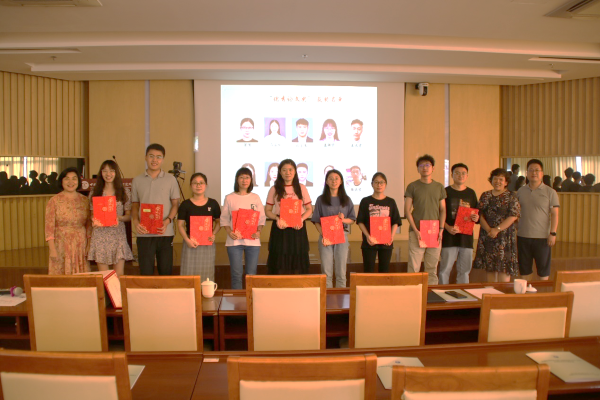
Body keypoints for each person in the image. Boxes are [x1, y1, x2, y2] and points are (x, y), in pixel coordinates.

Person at [131, 143, 180, 275]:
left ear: (163, 159)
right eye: (151, 156)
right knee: (146, 273)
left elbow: (175, 204)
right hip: (144, 233)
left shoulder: (171, 180)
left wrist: (167, 221)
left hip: (165, 233)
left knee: (166, 272)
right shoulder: (137, 180)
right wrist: (136, 222)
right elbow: (135, 205)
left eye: (159, 157)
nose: (154, 160)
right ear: (145, 157)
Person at [265, 159, 313, 274]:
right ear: (280, 172)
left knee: (298, 263)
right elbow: (267, 211)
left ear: (295, 171)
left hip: (298, 227)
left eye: (290, 170)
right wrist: (277, 219)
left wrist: (301, 219)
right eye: (284, 170)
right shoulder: (274, 188)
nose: (288, 172)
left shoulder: (301, 188)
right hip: (280, 227)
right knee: (279, 262)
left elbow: (309, 209)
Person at [220, 167, 266, 289]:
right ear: (237, 180)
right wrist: (229, 232)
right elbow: (224, 218)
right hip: (234, 242)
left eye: (247, 177)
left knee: (251, 274)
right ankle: (237, 299)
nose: (244, 180)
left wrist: (259, 231)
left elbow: (261, 218)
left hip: (253, 241)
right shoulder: (229, 197)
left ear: (251, 180)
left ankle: (251, 298)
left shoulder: (255, 197)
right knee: (236, 274)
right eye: (241, 177)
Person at [404, 154, 446, 285]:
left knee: (432, 268)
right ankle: (412, 293)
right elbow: (407, 210)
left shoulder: (439, 187)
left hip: (434, 231)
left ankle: (431, 292)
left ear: (433, 168)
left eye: (427, 165)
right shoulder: (412, 186)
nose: (425, 168)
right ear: (417, 169)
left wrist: (441, 230)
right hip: (417, 231)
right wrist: (416, 230)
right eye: (421, 165)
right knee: (413, 267)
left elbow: (443, 210)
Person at [88, 160, 134, 276]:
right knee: (104, 275)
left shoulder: (124, 192)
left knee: (119, 273)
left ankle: (117, 290)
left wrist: (119, 218)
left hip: (117, 234)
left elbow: (128, 216)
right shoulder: (95, 192)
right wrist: (94, 219)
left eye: (111, 171)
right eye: (105, 171)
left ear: (116, 173)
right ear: (101, 173)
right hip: (100, 235)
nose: (108, 174)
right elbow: (92, 214)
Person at [473, 168, 520, 282]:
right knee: (490, 267)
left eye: (501, 179)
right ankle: (491, 291)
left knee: (504, 268)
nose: (498, 182)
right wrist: (489, 230)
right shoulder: (485, 195)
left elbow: (513, 216)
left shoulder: (511, 196)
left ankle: (503, 293)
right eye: (495, 179)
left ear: (506, 182)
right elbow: (479, 214)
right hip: (488, 235)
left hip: (505, 236)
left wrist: (497, 230)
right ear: (491, 180)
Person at [516, 159, 559, 281]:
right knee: (524, 269)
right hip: (523, 236)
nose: (534, 173)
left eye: (537, 170)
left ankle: (542, 293)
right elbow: (516, 212)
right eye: (531, 170)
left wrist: (553, 233)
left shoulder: (550, 192)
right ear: (526, 173)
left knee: (543, 271)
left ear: (542, 173)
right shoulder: (520, 191)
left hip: (542, 237)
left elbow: (555, 214)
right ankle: (526, 292)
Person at [311, 169, 355, 288]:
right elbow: (316, 221)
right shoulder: (321, 199)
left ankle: (341, 297)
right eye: (330, 178)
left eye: (336, 178)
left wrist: (343, 219)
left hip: (342, 235)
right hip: (325, 236)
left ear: (341, 181)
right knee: (326, 271)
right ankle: (327, 297)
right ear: (326, 181)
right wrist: (324, 235)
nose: (334, 181)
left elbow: (352, 219)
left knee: (341, 271)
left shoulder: (346, 199)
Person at [45, 167, 91, 275]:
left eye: (74, 178)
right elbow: (49, 226)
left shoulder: (85, 200)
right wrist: (52, 249)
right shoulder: (54, 201)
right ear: (61, 181)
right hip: (60, 243)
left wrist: (89, 244)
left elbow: (89, 224)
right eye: (67, 179)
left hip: (80, 243)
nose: (71, 182)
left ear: (78, 181)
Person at [439, 163, 479, 285]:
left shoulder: (471, 193)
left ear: (467, 176)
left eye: (463, 173)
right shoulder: (445, 192)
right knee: (445, 269)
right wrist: (447, 227)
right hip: (449, 236)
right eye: (457, 173)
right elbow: (439, 213)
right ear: (452, 175)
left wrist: (476, 217)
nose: (460, 175)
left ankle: (463, 293)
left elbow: (476, 213)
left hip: (466, 238)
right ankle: (442, 292)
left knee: (465, 270)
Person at [177, 173, 221, 281]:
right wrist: (187, 240)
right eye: (195, 183)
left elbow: (219, 222)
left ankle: (205, 292)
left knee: (207, 273)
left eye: (201, 183)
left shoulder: (213, 203)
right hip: (190, 242)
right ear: (190, 186)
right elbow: (180, 225)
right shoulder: (185, 204)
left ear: (206, 185)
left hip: (207, 242)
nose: (198, 185)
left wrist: (213, 234)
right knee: (188, 273)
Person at [356, 172, 402, 273]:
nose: (379, 185)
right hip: (369, 242)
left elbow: (395, 221)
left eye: (382, 182)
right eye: (376, 182)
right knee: (368, 270)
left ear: (385, 184)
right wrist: (367, 236)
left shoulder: (391, 202)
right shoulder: (365, 201)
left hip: (386, 242)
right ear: (372, 184)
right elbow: (360, 221)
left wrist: (391, 236)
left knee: (384, 270)